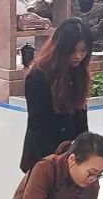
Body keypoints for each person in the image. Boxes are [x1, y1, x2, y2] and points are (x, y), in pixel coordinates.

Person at [20, 17, 91, 173]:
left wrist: (84, 152)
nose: (78, 56)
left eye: (83, 51)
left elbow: (81, 118)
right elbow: (38, 125)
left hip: (71, 154)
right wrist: (54, 164)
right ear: (60, 48)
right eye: (73, 50)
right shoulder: (39, 76)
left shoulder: (78, 71)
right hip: (44, 157)